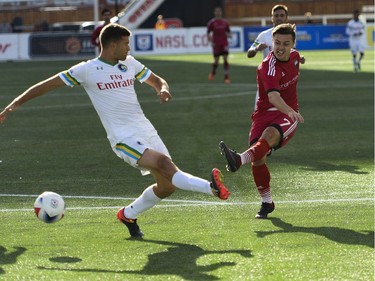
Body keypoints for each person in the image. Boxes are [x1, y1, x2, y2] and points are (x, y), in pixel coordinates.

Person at [0, 23, 230, 238]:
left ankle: (128, 215)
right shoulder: (86, 70)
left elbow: (157, 80)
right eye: (125, 44)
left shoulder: (129, 63)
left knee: (167, 185)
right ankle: (211, 188)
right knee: (166, 166)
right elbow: (44, 86)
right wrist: (12, 106)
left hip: (146, 129)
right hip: (123, 138)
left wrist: (162, 89)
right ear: (112, 45)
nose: (129, 48)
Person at [219, 23, 304, 219]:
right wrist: (290, 109)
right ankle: (267, 202)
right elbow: (274, 97)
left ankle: (238, 159)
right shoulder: (268, 67)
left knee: (268, 137)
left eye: (286, 43)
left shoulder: (296, 57)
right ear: (271, 43)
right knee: (258, 159)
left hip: (286, 114)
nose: (280, 47)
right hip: (266, 112)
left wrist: (291, 111)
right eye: (276, 43)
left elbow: (296, 59)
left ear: (293, 44)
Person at [247, 4, 305, 108]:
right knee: (260, 113)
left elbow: (292, 52)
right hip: (268, 78)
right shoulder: (264, 35)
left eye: (282, 15)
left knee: (286, 114)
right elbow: (249, 53)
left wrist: (299, 58)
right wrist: (256, 48)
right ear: (272, 17)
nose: (279, 18)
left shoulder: (290, 35)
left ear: (286, 18)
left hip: (285, 80)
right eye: (276, 15)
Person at [207, 6, 231, 84]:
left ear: (221, 12)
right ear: (214, 13)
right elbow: (208, 33)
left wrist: (229, 35)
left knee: (225, 59)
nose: (218, 13)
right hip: (216, 44)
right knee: (216, 61)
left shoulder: (225, 22)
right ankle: (213, 73)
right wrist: (211, 42)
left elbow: (229, 32)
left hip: (224, 43)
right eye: (216, 11)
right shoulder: (212, 22)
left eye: (219, 11)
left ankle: (226, 77)